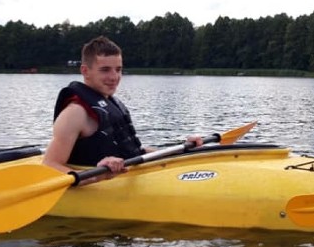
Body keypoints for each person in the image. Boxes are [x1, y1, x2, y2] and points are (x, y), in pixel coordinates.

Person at [42, 36, 202, 184]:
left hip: (125, 178)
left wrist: (182, 151)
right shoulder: (75, 113)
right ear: (85, 71)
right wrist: (97, 176)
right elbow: (50, 165)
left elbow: (135, 152)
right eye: (105, 70)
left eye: (118, 69)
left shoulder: (113, 103)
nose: (114, 77)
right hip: (96, 186)